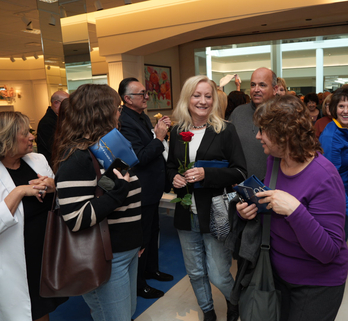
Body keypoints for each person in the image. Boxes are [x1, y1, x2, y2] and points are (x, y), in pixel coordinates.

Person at [237, 95, 348, 321]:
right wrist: (254, 209)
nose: (258, 136)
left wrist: (295, 210)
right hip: (278, 274)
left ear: (285, 133)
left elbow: (328, 251)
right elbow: (275, 206)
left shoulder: (324, 175)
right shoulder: (275, 160)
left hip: (316, 284)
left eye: (263, 130)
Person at [52, 84, 143, 321]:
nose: (119, 112)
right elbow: (75, 218)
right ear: (100, 112)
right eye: (116, 107)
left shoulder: (107, 148)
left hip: (126, 249)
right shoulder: (77, 157)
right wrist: (117, 193)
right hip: (106, 255)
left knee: (127, 313)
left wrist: (138, 238)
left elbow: (112, 193)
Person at [167, 75, 247, 321]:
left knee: (218, 273)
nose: (202, 101)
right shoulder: (177, 130)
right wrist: (173, 179)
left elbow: (240, 171)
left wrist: (206, 174)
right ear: (187, 98)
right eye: (196, 95)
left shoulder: (225, 130)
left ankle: (235, 305)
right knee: (195, 271)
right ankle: (208, 313)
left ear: (214, 100)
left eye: (207, 96)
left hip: (215, 213)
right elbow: (170, 167)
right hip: (186, 212)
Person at [0, 111, 67, 321]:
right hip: (15, 260)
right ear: (7, 138)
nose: (31, 137)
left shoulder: (37, 160)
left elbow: (59, 196)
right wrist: (19, 192)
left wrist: (52, 186)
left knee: (40, 310)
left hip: (44, 254)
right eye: (25, 133)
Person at [118, 77, 173, 299]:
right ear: (127, 99)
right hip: (141, 189)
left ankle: (152, 270)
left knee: (152, 232)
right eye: (142, 94)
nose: (147, 97)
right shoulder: (125, 122)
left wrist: (159, 133)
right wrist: (159, 137)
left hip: (152, 188)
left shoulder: (140, 117)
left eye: (145, 93)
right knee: (142, 237)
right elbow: (138, 158)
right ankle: (140, 284)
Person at [319, 85, 348, 240]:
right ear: (334, 108)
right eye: (341, 106)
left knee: (342, 239)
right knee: (334, 241)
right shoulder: (331, 137)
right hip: (334, 198)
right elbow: (329, 181)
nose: (346, 111)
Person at [229, 67, 277, 179]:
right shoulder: (238, 113)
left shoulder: (283, 114)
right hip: (242, 185)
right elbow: (227, 149)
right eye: (253, 85)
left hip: (277, 185)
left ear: (275, 89)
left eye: (262, 85)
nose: (256, 89)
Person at [36, 90, 69, 165]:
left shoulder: (58, 118)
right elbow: (54, 147)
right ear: (56, 103)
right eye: (66, 103)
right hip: (52, 164)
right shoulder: (47, 122)